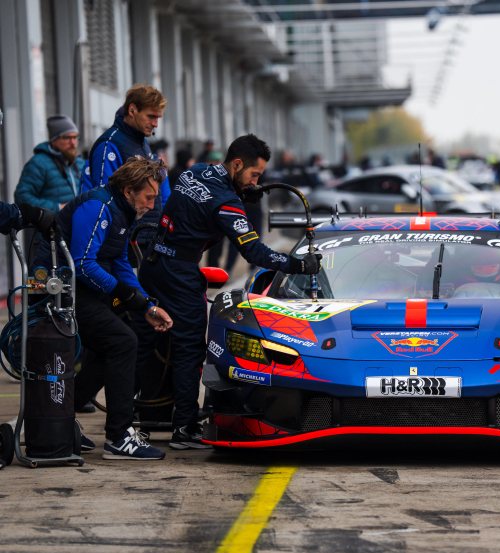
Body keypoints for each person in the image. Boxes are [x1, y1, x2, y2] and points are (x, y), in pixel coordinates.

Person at [133, 134, 321, 450]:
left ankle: (125, 424)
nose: (256, 181)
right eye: (254, 174)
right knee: (190, 348)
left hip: (153, 264)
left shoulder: (195, 172)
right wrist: (299, 266)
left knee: (140, 346)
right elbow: (256, 253)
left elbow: (200, 202)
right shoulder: (226, 202)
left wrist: (241, 190)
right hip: (179, 274)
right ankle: (185, 429)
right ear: (237, 164)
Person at [34, 157, 174, 460]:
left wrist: (146, 305)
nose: (152, 205)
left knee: (109, 344)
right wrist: (126, 295)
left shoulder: (124, 211)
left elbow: (121, 262)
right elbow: (83, 264)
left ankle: (61, 420)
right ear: (128, 190)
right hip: (56, 290)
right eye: (149, 197)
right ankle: (119, 437)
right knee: (123, 342)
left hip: (78, 287)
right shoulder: (99, 207)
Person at [82, 84, 170, 251]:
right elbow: (102, 199)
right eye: (151, 116)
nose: (156, 124)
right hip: (124, 244)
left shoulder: (143, 142)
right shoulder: (110, 144)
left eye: (158, 118)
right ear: (132, 110)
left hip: (146, 239)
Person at [14, 115, 84, 261]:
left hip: (76, 239)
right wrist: (58, 207)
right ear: (54, 139)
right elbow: (22, 196)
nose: (73, 142)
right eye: (66, 137)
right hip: (46, 241)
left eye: (75, 137)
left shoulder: (80, 163)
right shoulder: (39, 163)